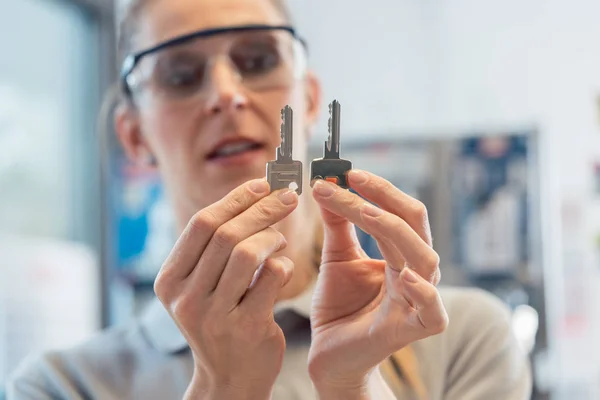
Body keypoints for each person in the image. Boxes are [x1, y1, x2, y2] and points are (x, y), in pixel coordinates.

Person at [6, 0, 532, 399]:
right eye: (181, 75)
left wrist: (354, 383)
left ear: (305, 99)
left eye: (257, 60)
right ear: (135, 135)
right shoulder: (63, 385)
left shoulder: (458, 333)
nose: (227, 94)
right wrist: (223, 386)